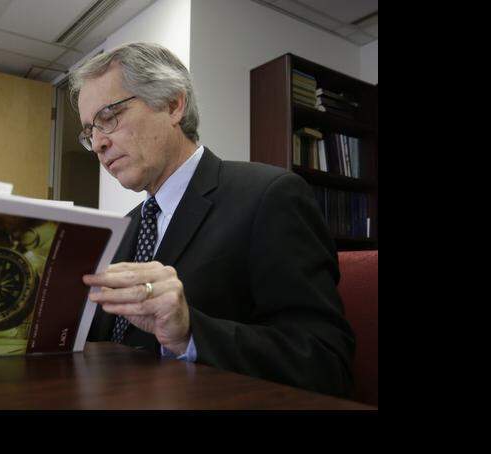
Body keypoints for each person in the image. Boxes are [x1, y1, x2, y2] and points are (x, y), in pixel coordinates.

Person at [71, 42, 354, 398]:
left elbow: (326, 362)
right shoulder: (124, 227)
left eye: (108, 118)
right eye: (88, 132)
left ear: (174, 104)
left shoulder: (271, 196)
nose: (98, 143)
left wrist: (190, 332)